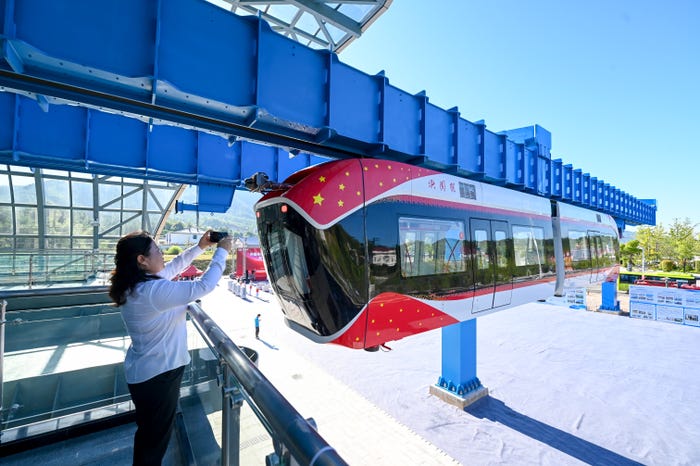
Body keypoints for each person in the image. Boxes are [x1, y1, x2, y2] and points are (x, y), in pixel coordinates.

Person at [109, 230, 232, 465]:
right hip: (159, 376)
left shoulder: (138, 285)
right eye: (156, 250)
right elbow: (204, 286)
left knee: (149, 437)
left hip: (147, 373)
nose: (162, 253)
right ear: (141, 260)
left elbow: (174, 267)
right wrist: (222, 252)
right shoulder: (152, 291)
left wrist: (200, 247)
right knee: (154, 442)